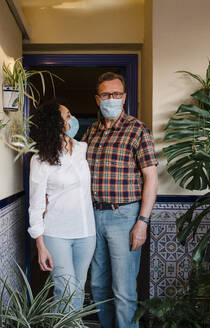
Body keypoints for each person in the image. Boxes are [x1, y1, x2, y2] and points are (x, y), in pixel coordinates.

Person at [82, 72, 158, 328]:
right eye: (106, 95)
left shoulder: (137, 130)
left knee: (124, 291)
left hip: (124, 216)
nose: (111, 99)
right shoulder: (90, 133)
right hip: (93, 216)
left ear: (124, 97)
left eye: (116, 94)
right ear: (97, 98)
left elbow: (151, 178)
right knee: (98, 286)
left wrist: (142, 222)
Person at [28, 100, 96, 311]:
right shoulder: (40, 160)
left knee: (78, 288)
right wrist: (40, 246)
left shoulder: (83, 149)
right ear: (56, 124)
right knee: (65, 291)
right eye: (68, 116)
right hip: (56, 234)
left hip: (86, 232)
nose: (72, 118)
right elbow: (36, 205)